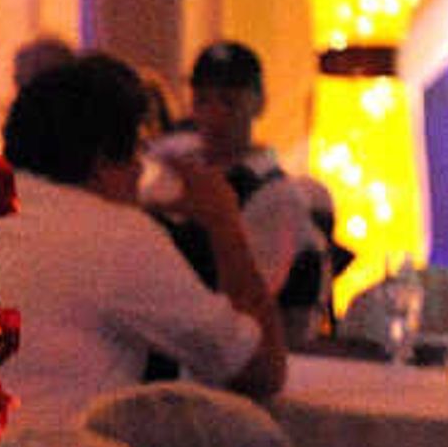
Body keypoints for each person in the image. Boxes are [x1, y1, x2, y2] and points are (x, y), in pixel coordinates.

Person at [0, 50, 284, 417]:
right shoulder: (116, 235)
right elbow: (259, 370)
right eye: (134, 152)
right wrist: (223, 220)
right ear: (104, 161)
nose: (139, 171)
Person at [145, 39, 341, 326]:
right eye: (203, 101)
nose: (214, 115)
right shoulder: (171, 166)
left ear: (259, 103)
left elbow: (248, 302)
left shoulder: (277, 197)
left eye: (228, 102)